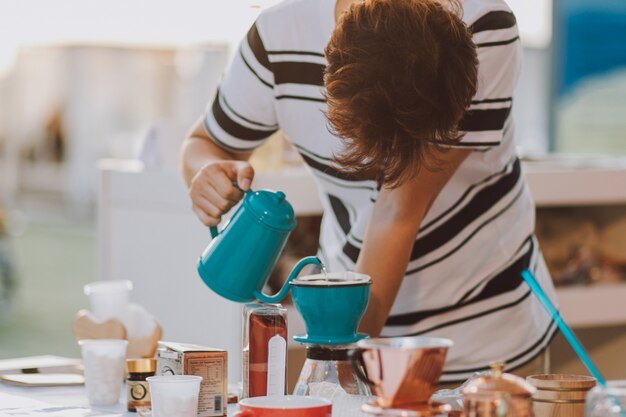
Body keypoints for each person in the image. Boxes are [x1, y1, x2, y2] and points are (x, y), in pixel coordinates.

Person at [180, 0, 557, 384]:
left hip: (484, 333)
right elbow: (206, 143)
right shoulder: (279, 35)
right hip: (352, 305)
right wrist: (205, 173)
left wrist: (343, 373)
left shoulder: (483, 27)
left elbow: (399, 209)